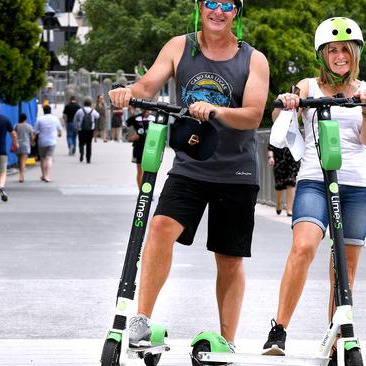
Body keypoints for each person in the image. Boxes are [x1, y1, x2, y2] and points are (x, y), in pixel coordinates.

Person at [108, 0, 269, 350]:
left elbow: (254, 115)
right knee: (160, 227)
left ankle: (227, 340)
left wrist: (216, 109)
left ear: (236, 12)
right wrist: (127, 92)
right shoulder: (180, 46)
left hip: (236, 170)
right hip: (190, 165)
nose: (218, 11)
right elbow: (148, 86)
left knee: (228, 258)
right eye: (211, 2)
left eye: (227, 4)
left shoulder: (253, 59)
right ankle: (141, 321)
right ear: (200, 7)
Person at [261, 17, 366, 361]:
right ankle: (279, 328)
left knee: (344, 267)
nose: (340, 55)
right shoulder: (307, 86)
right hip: (315, 179)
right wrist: (286, 101)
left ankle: (335, 338)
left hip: (358, 184)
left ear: (354, 53)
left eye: (345, 49)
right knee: (303, 247)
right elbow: (277, 117)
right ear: (322, 54)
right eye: (333, 50)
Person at [125, 108, 155, 188]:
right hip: (138, 148)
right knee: (140, 171)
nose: (148, 112)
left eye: (150, 110)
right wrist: (130, 136)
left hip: (151, 148)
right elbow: (125, 125)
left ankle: (147, 192)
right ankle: (141, 192)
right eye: (146, 110)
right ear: (143, 110)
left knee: (148, 172)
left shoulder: (154, 118)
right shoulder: (136, 118)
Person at [267, 145, 300, 216]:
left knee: (291, 182)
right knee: (279, 184)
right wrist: (271, 157)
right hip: (279, 158)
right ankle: (278, 202)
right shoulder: (276, 133)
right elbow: (271, 145)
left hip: (292, 158)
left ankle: (289, 209)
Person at [34, 104, 63, 182]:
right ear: (51, 111)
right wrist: (59, 134)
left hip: (42, 141)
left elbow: (35, 131)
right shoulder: (55, 119)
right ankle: (47, 175)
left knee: (43, 159)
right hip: (52, 141)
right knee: (49, 158)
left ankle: (43, 175)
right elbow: (60, 129)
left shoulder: (39, 119)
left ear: (43, 111)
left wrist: (32, 140)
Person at [74, 96, 100, 163]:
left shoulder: (80, 110)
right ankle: (88, 159)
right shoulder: (93, 111)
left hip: (81, 129)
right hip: (90, 130)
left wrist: (76, 127)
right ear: (90, 104)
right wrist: (93, 109)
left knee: (81, 142)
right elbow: (98, 116)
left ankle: (81, 152)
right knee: (89, 144)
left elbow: (75, 119)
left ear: (84, 103)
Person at [14, 113, 35, 183]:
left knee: (20, 161)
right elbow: (32, 137)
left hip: (18, 145)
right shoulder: (29, 126)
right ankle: (21, 176)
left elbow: (14, 135)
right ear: (26, 119)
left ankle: (21, 174)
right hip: (25, 145)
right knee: (23, 162)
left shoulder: (16, 126)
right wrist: (32, 142)